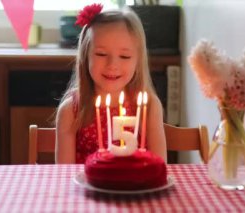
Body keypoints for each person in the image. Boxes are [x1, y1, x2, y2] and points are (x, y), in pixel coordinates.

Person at [55, 4, 167, 164]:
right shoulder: (71, 111)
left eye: (125, 56)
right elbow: (64, 175)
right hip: (88, 189)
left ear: (138, 61)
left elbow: (159, 168)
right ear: (85, 56)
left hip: (136, 188)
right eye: (101, 54)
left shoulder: (148, 107)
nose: (112, 65)